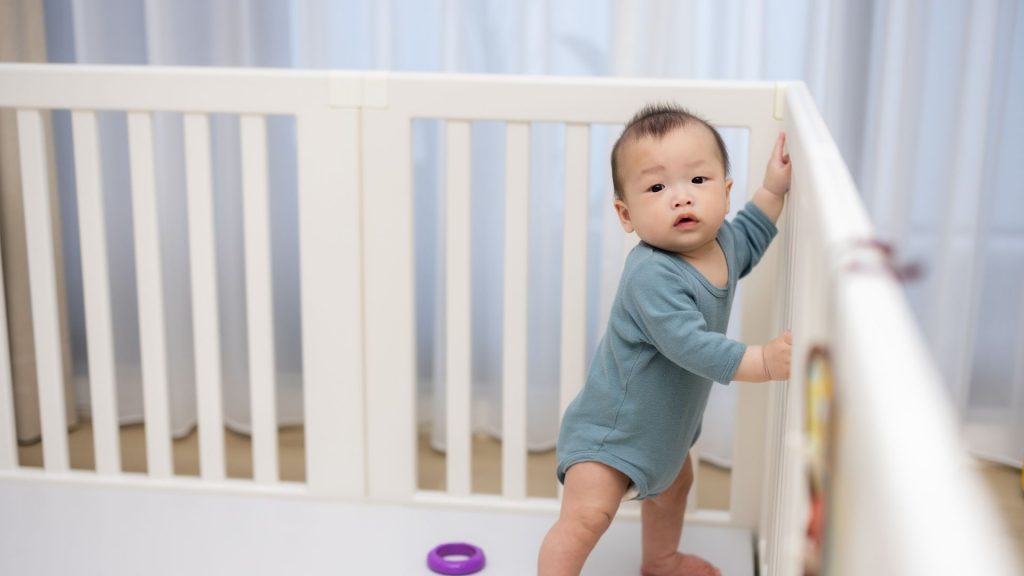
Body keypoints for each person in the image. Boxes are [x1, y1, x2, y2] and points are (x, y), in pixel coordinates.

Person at [537, 103, 793, 576]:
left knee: (675, 487)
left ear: (725, 191)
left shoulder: (724, 245)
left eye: (698, 181)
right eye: (657, 187)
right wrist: (763, 361)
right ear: (625, 213)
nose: (682, 198)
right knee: (586, 519)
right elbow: (690, 345)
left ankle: (661, 560)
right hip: (610, 434)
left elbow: (754, 234)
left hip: (665, 434)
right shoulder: (651, 274)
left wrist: (774, 188)